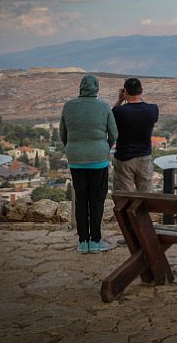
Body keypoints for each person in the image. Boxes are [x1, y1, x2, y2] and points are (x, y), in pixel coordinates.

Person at [60, 74, 117, 254]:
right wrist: (104, 148)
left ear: (81, 87)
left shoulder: (68, 107)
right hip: (98, 161)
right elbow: (114, 134)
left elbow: (63, 134)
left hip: (76, 160)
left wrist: (73, 148)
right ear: (96, 88)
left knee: (81, 199)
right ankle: (95, 241)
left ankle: (83, 242)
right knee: (97, 200)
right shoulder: (104, 107)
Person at [112, 78, 159, 193]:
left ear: (125, 92)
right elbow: (143, 105)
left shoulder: (120, 111)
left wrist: (120, 100)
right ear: (142, 90)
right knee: (145, 197)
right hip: (144, 158)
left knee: (124, 198)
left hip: (124, 158)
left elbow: (109, 117)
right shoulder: (153, 109)